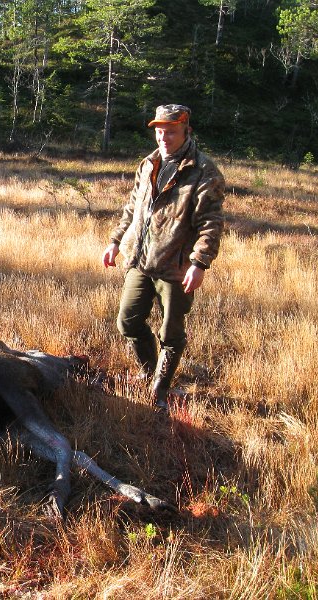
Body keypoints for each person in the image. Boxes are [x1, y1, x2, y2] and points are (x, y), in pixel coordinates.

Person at [101, 104, 225, 411]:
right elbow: (132, 208)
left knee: (171, 332)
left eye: (170, 131)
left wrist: (199, 263)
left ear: (186, 130)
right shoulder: (148, 164)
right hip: (139, 261)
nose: (164, 137)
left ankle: (160, 387)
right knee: (127, 322)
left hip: (176, 267)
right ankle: (147, 370)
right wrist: (116, 241)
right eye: (159, 131)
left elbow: (211, 222)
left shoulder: (203, 170)